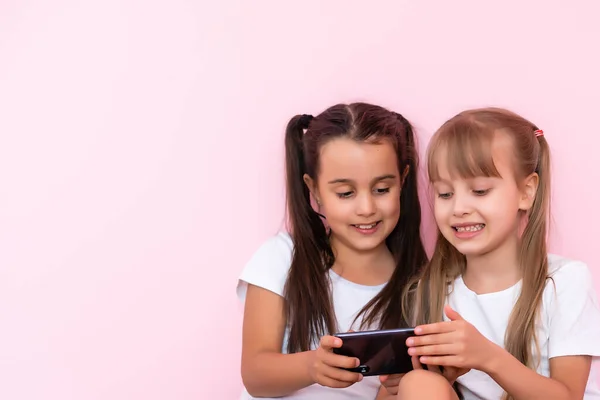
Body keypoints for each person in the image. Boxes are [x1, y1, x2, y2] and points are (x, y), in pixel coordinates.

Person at [398, 107, 600, 399]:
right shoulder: (432, 292)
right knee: (418, 384)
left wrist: (488, 357)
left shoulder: (564, 282)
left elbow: (568, 396)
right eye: (445, 194)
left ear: (526, 192)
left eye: (479, 191)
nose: (459, 208)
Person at [236, 102, 428, 399]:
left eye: (381, 190)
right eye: (345, 193)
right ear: (314, 191)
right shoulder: (282, 257)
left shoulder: (418, 285)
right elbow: (255, 374)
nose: (366, 208)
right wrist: (312, 366)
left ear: (402, 181)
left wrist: (401, 385)